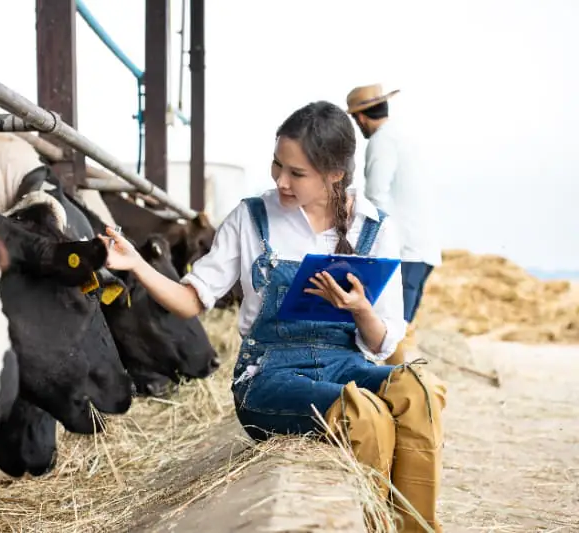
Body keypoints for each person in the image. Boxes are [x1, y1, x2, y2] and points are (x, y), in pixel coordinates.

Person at [99, 101, 446, 532]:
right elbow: (192, 300)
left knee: (419, 390)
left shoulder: (376, 228)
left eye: (297, 174)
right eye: (277, 165)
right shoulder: (251, 217)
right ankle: (374, 525)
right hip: (268, 374)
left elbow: (383, 344)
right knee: (365, 413)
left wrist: (360, 311)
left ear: (335, 174)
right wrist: (136, 265)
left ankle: (417, 528)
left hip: (345, 364)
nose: (281, 181)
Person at [346, 84, 443, 366]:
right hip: (423, 248)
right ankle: (403, 392)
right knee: (402, 330)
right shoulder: (405, 137)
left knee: (391, 333)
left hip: (404, 249)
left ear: (360, 118)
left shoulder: (381, 141)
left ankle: (401, 396)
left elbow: (376, 196)